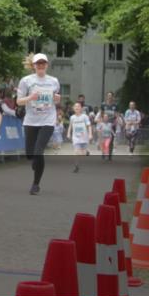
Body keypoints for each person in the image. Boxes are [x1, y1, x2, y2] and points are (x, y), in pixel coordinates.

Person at [16, 53, 62, 195]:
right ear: (34, 65)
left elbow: (56, 99)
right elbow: (19, 101)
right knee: (30, 155)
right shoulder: (26, 81)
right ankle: (35, 161)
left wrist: (57, 99)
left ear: (47, 65)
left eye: (43, 63)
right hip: (31, 120)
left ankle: (36, 184)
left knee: (38, 151)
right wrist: (31, 97)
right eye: (38, 63)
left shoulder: (54, 81)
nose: (41, 65)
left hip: (48, 120)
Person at [67, 102, 93, 173]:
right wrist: (68, 133)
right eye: (75, 106)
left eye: (78, 106)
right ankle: (76, 166)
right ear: (73, 108)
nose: (77, 107)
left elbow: (89, 126)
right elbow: (70, 126)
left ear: (81, 108)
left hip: (84, 137)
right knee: (76, 152)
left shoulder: (84, 116)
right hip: (76, 137)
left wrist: (90, 134)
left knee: (83, 153)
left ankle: (86, 152)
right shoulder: (72, 117)